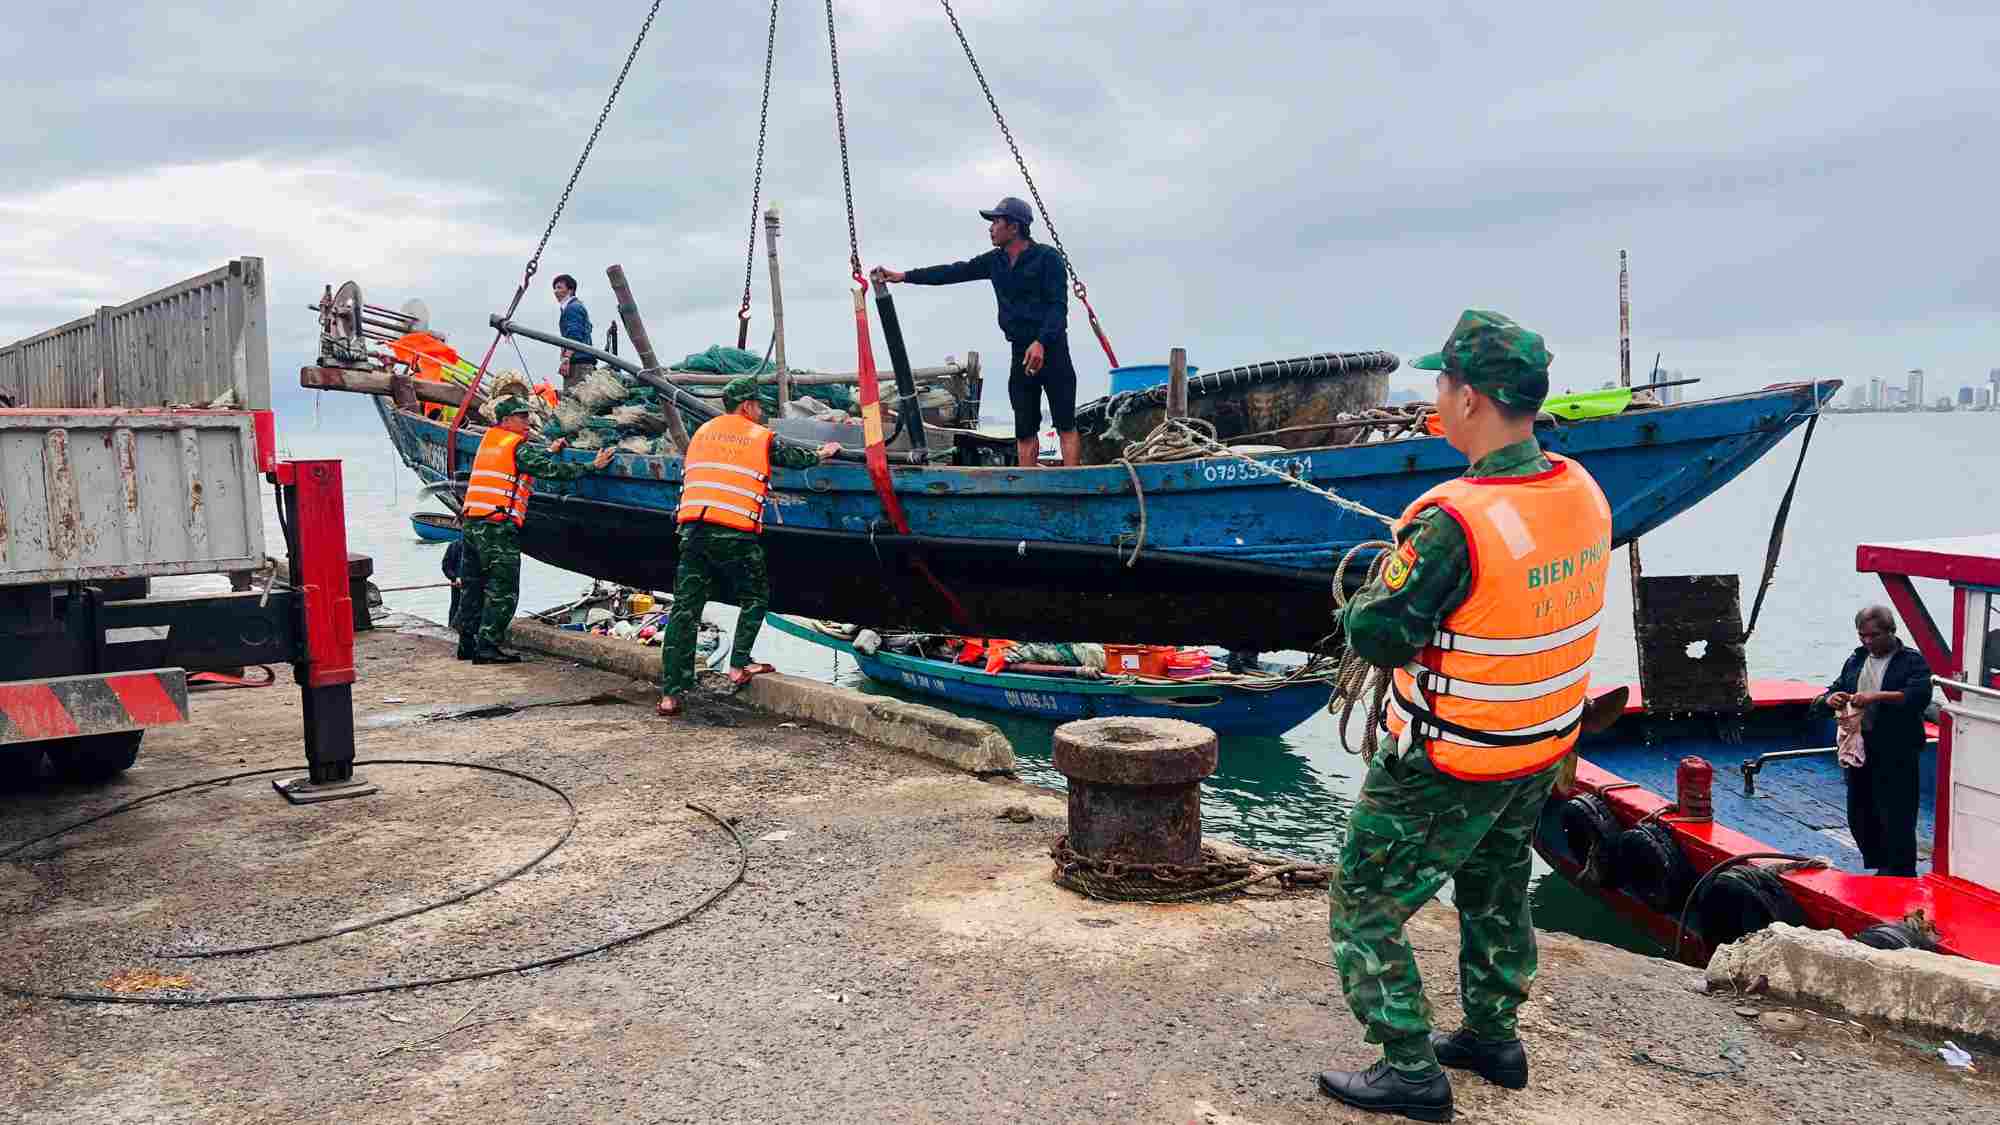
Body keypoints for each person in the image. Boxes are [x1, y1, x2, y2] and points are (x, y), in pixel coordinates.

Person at [1319, 310, 1612, 1121]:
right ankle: (1494, 1034)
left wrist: (1378, 584)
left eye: (1442, 383)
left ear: (1473, 398)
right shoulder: (1582, 490)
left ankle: (1410, 1066)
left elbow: (1378, 634)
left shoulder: (1454, 521)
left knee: (1364, 902)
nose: (1435, 397)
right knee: (1496, 880)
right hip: (1538, 746)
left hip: (1448, 757)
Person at [657, 376, 841, 716]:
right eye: (758, 405)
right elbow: (793, 457)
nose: (761, 411)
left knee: (685, 609)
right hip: (734, 534)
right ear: (746, 405)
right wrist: (822, 453)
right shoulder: (759, 436)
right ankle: (739, 665)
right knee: (755, 596)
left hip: (693, 530)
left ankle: (671, 693)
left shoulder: (703, 432)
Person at [873, 196, 1078, 468]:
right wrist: (904, 276)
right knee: (1024, 428)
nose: (990, 228)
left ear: (1014, 227)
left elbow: (1058, 308)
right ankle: (1030, 486)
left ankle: (1074, 478)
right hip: (1020, 352)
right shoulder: (996, 262)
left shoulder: (1047, 258)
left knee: (1065, 422)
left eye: (996, 222)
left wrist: (1041, 341)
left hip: (1053, 349)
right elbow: (953, 272)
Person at [461, 398, 616, 664]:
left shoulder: (491, 441)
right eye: (521, 417)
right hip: (497, 529)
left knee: (473, 588)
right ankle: (487, 647)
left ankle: (466, 644)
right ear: (505, 420)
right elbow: (550, 471)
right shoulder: (517, 446)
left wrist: (550, 450)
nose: (526, 421)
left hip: (473, 524)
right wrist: (592, 466)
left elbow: (523, 465)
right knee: (503, 590)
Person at [1820, 606, 1933, 877]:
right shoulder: (1857, 658)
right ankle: (1880, 864)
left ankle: (1900, 871)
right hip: (1861, 746)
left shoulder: (1912, 661)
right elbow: (1835, 687)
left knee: (1897, 814)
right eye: (1863, 636)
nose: (1868, 641)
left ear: (1891, 632)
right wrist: (1830, 698)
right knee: (1859, 814)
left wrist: (1874, 696)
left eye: (1875, 635)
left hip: (1897, 749)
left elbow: (1918, 696)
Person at [553, 274, 596, 394]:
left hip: (578, 364)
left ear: (570, 290)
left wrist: (566, 359)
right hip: (581, 361)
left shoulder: (572, 308)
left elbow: (574, 336)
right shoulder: (574, 307)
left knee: (574, 403)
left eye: (559, 288)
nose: (556, 291)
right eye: (555, 288)